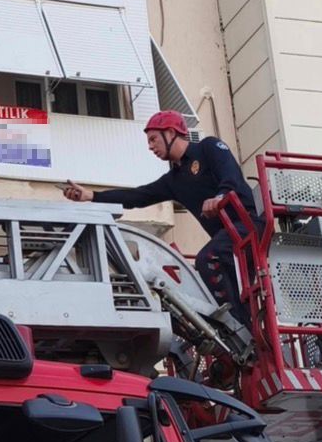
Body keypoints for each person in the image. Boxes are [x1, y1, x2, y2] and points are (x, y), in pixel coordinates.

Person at [63, 110, 258, 327]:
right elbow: (137, 196)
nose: (150, 146)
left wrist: (220, 197)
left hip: (249, 227)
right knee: (209, 278)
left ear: (171, 133)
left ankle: (237, 330)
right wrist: (92, 196)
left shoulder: (208, 148)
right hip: (228, 243)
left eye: (153, 139)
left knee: (207, 259)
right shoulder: (174, 180)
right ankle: (243, 331)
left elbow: (230, 175)